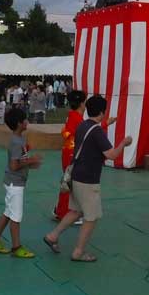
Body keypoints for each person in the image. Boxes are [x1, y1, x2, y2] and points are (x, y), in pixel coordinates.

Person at [43, 95, 132, 261]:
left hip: (76, 174)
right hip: (88, 179)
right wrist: (124, 143)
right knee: (91, 217)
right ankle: (78, 251)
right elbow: (111, 155)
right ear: (102, 112)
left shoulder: (83, 125)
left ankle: (53, 236)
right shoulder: (97, 131)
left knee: (76, 211)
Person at [0, 108, 43, 257]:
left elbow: (19, 161)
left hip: (13, 181)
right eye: (25, 119)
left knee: (8, 212)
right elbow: (14, 165)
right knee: (16, 216)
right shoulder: (16, 142)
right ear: (19, 123)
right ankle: (16, 246)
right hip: (15, 184)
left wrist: (30, 163)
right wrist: (31, 161)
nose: (27, 122)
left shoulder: (19, 139)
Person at [54, 90, 87, 221]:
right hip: (72, 153)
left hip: (69, 152)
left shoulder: (72, 115)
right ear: (81, 104)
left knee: (68, 182)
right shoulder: (77, 118)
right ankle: (64, 213)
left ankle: (61, 210)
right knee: (70, 183)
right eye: (84, 102)